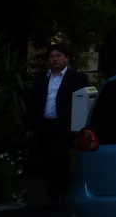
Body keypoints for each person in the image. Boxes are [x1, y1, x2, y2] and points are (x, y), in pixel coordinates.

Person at [25, 43, 90, 207]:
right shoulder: (41, 78)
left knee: (60, 159)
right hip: (44, 124)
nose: (55, 59)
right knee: (47, 161)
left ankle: (62, 192)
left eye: (58, 56)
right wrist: (29, 126)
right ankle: (52, 194)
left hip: (63, 126)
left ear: (66, 58)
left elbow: (83, 102)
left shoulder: (77, 78)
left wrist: (78, 127)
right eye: (52, 56)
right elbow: (33, 103)